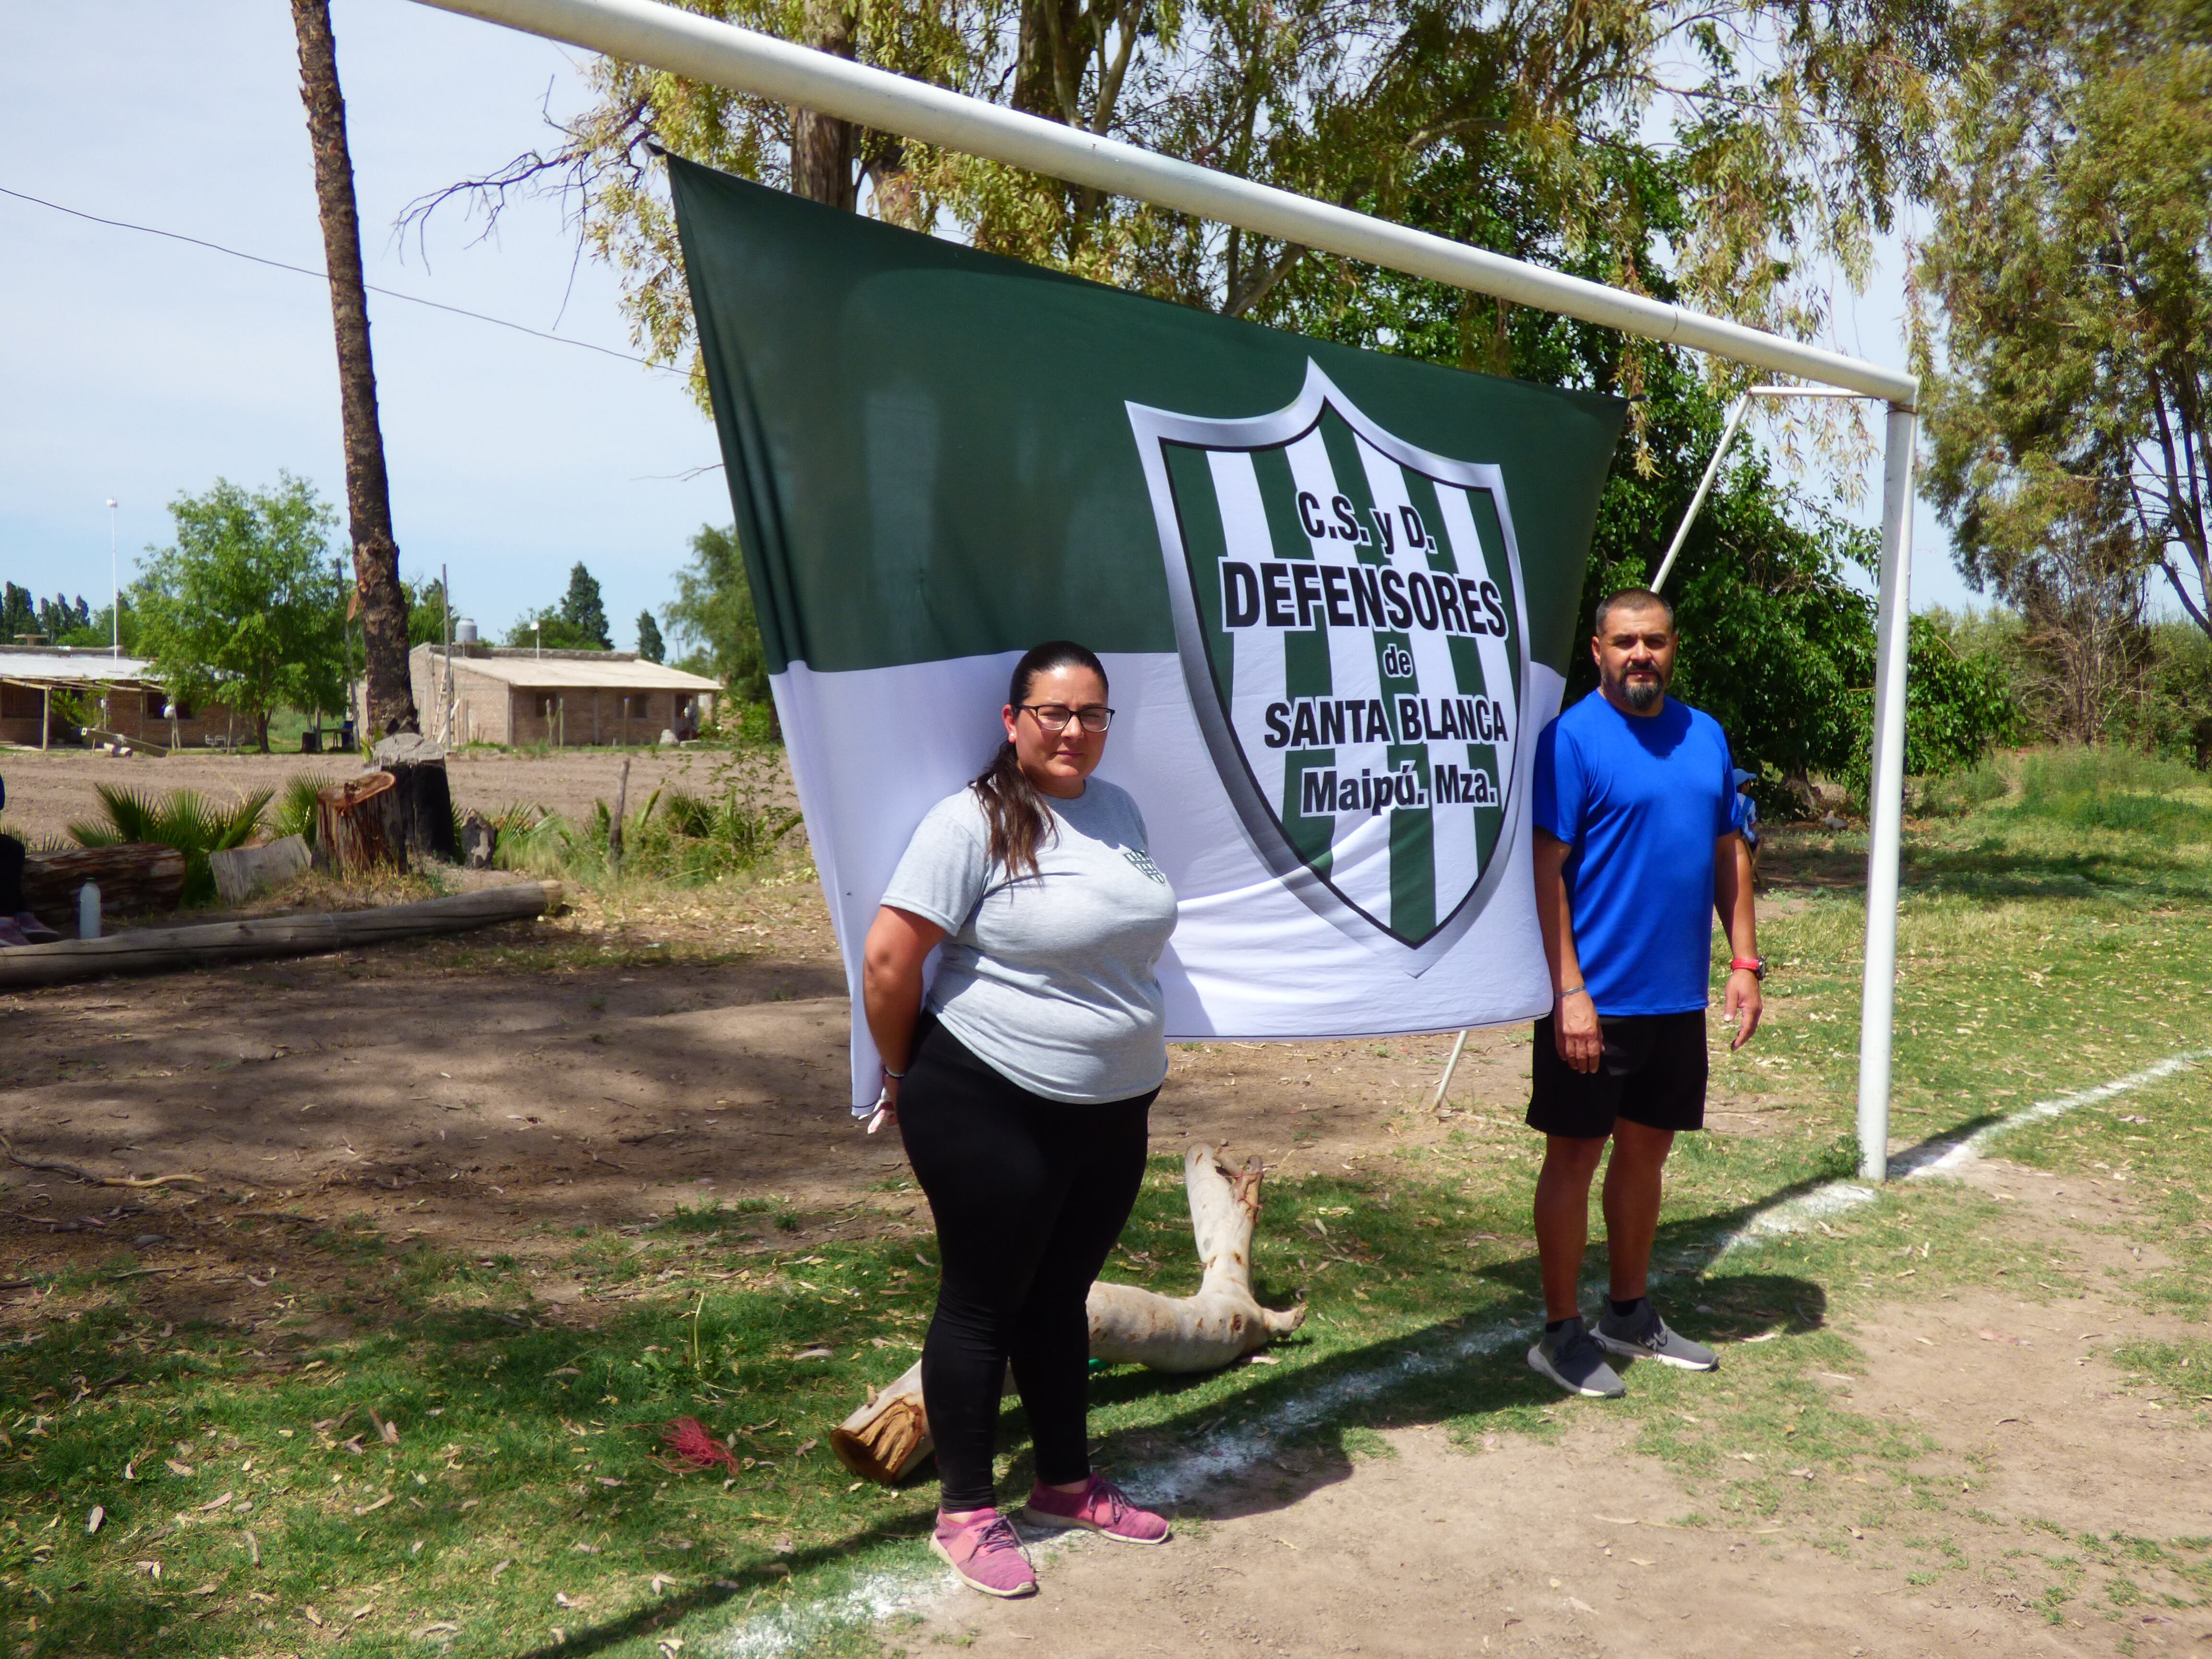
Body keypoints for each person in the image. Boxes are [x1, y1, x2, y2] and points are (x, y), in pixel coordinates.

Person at [862, 640, 1180, 1599]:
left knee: (1059, 1295)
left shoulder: (1117, 810)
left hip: (1115, 1108)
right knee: (982, 1300)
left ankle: (1065, 1484)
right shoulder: (970, 821)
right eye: (1054, 712)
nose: (1074, 731)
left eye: (1092, 714)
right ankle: (964, 1511)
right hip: (989, 1095)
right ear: (1014, 721)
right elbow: (888, 960)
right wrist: (902, 1066)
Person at [1524, 588, 1763, 1399]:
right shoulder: (1571, 740)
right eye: (1625, 641)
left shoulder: (1706, 736)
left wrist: (1744, 963)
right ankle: (1561, 1333)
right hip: (1594, 997)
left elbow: (1730, 850)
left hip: (1674, 1001)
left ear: (1673, 647)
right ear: (1597, 650)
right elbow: (1545, 872)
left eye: (1654, 641)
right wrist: (1569, 992)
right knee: (1575, 1157)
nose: (1640, 656)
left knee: (1647, 1154)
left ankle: (1628, 1313)